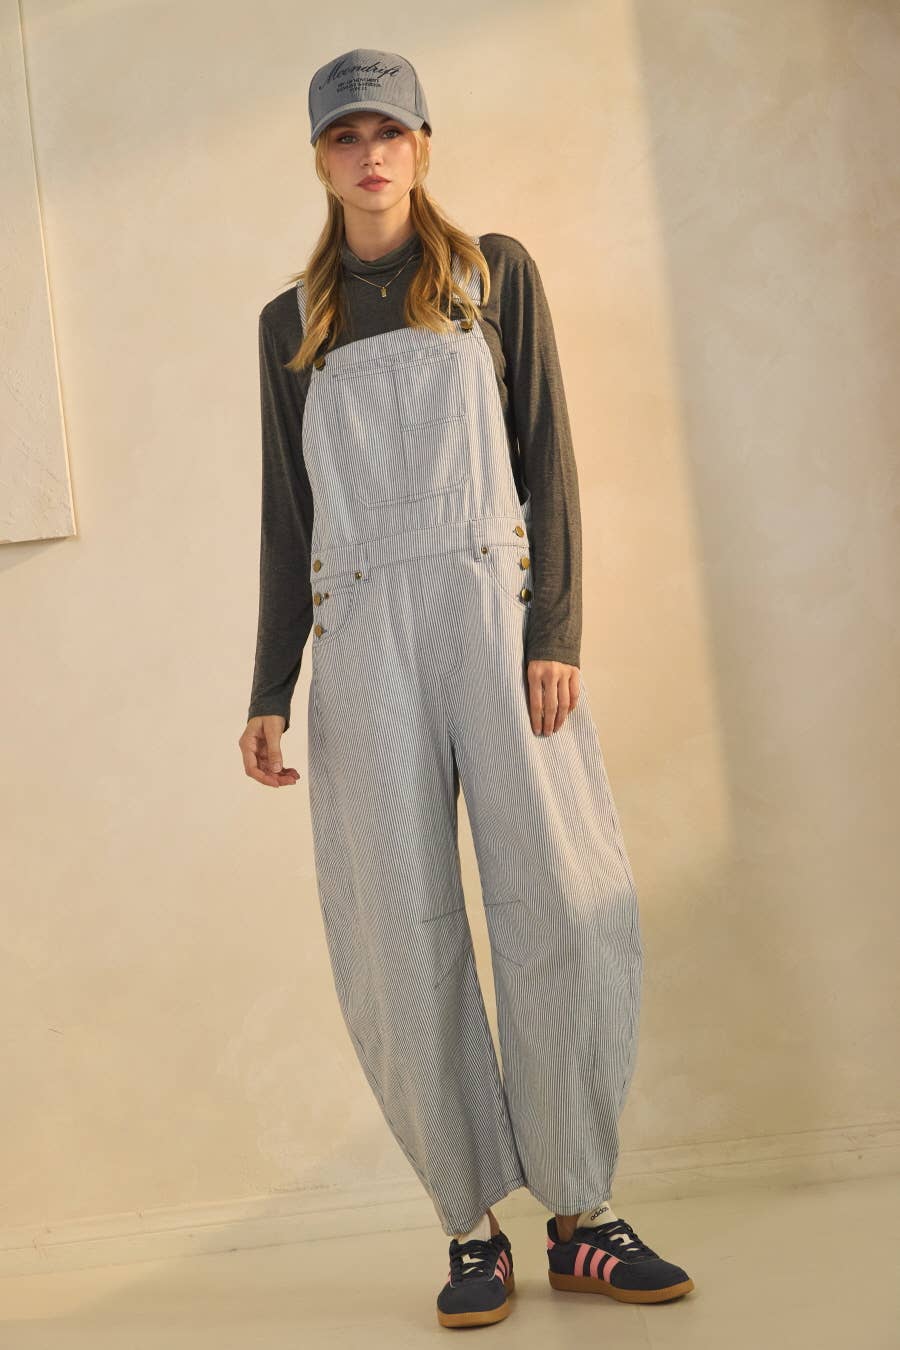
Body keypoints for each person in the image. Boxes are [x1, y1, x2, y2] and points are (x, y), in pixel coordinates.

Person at [238, 47, 694, 1330]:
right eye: (346, 136)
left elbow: (550, 457)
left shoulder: (493, 276)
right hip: (361, 635)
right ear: (321, 159)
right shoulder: (291, 325)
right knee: (401, 926)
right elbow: (287, 517)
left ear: (423, 145)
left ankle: (582, 1216)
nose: (370, 154)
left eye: (389, 131)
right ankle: (469, 1228)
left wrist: (558, 631)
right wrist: (270, 684)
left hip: (498, 623)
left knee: (561, 901)